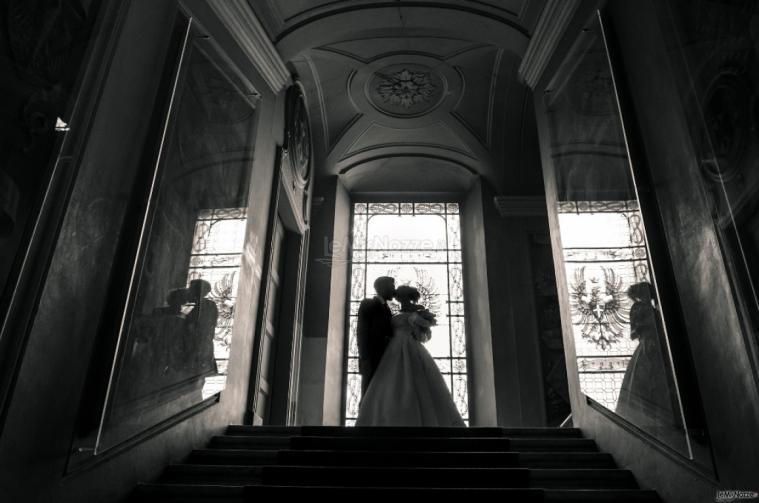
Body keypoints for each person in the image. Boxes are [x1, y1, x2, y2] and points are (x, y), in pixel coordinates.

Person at [356, 285, 465, 426]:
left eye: (400, 295)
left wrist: (419, 328)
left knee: (415, 380)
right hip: (393, 349)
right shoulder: (392, 311)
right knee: (390, 381)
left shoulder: (418, 310)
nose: (397, 296)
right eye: (397, 295)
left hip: (410, 346)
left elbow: (425, 334)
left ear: (406, 296)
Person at [356, 276, 395, 396]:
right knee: (368, 394)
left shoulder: (387, 309)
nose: (394, 289)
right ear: (383, 288)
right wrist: (365, 358)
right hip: (370, 358)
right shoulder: (368, 304)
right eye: (391, 286)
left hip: (384, 358)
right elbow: (362, 332)